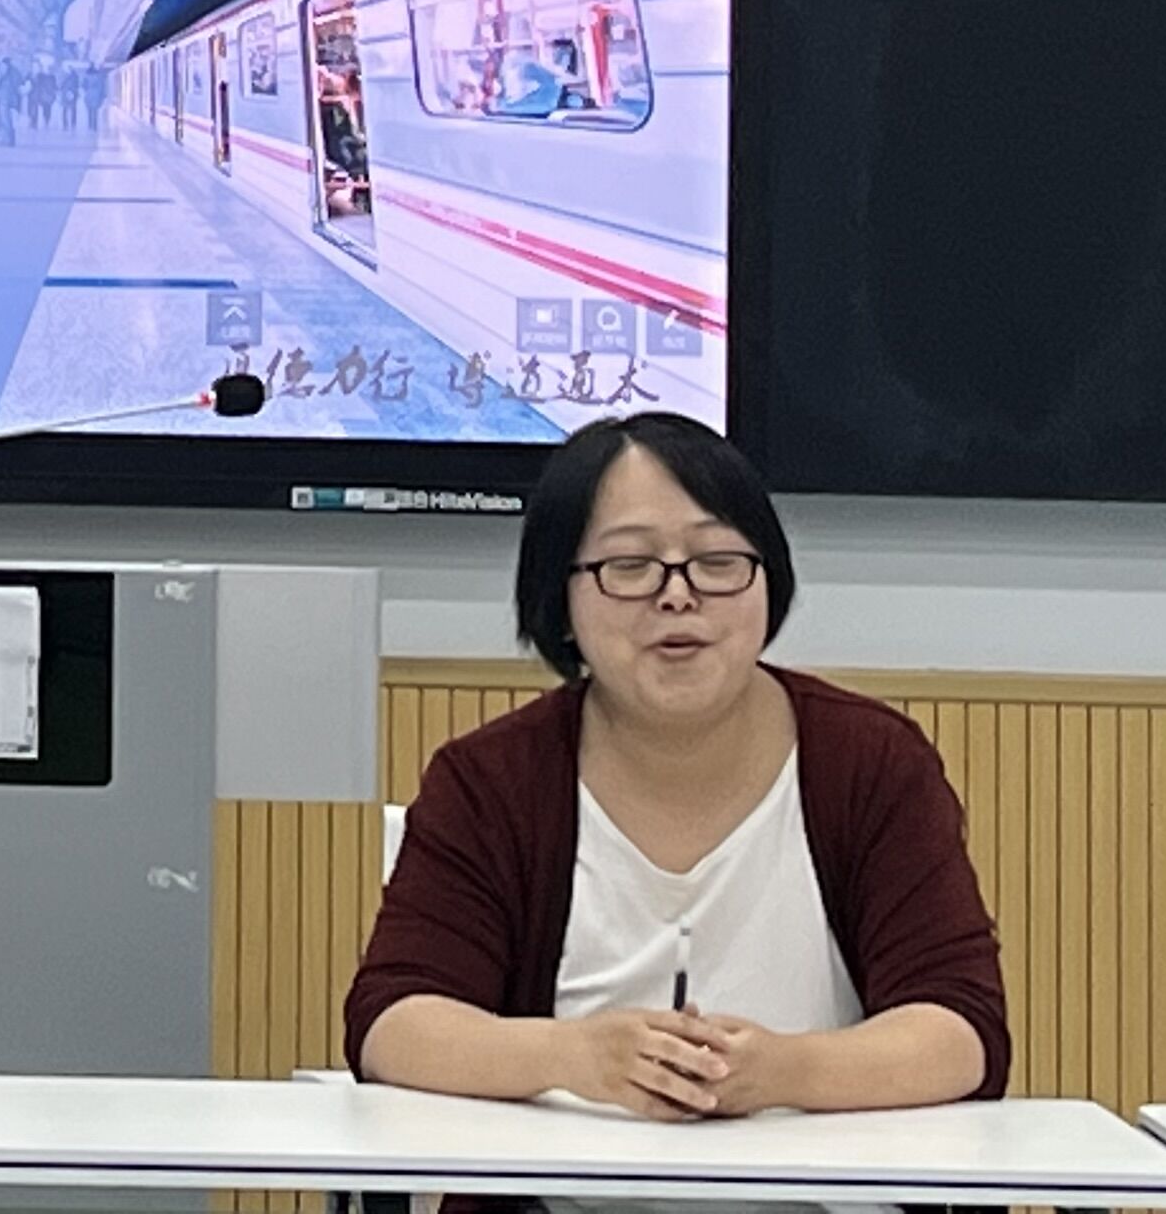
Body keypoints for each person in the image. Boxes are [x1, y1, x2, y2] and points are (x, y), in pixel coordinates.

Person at [343, 412, 1007, 1118]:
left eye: (717, 561)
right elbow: (393, 1024)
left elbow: (960, 1029)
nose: (678, 595)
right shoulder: (489, 780)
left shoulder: (872, 763)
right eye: (629, 566)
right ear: (559, 599)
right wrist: (576, 1057)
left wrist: (782, 1072)